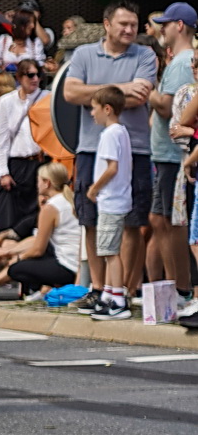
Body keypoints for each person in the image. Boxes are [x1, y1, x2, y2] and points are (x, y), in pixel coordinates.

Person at [61, 2, 158, 308]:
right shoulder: (84, 54)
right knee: (90, 220)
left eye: (134, 24)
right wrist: (121, 89)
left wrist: (97, 92)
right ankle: (99, 288)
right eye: (123, 24)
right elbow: (69, 93)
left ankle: (124, 291)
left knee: (133, 221)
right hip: (90, 148)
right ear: (106, 24)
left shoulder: (145, 55)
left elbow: (139, 96)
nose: (130, 30)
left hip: (136, 149)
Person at [149, 3, 195, 303]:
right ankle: (168, 288)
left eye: (164, 24)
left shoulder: (183, 62)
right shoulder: (180, 61)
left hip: (173, 156)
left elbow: (169, 108)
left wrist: (149, 91)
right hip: (166, 155)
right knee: (159, 220)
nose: (159, 30)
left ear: (179, 26)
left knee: (173, 222)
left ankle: (181, 288)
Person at [0, 163, 81, 299]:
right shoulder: (69, 200)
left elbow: (38, 249)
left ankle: (49, 287)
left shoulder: (51, 207)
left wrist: (17, 258)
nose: (37, 184)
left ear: (47, 183)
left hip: (67, 266)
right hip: (76, 263)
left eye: (38, 180)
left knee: (16, 269)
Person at [85, 86, 134, 320]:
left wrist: (95, 189)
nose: (91, 113)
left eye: (94, 108)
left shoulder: (109, 134)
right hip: (119, 198)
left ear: (107, 109)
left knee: (110, 252)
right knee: (109, 250)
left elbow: (111, 168)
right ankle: (109, 294)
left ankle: (118, 300)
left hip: (111, 200)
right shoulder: (122, 132)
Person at [0, 60, 47, 230]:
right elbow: (2, 138)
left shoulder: (47, 98)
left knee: (38, 210)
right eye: (30, 75)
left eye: (38, 74)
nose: (35, 79)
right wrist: (3, 171)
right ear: (20, 77)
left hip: (39, 161)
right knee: (12, 213)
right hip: (17, 162)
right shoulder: (7, 101)